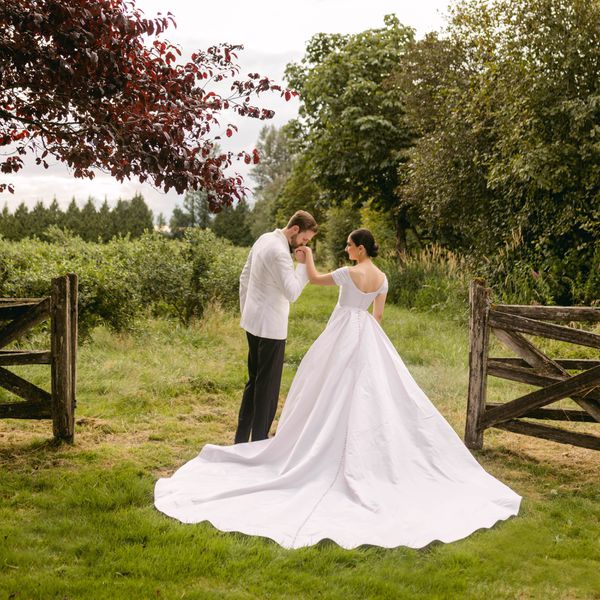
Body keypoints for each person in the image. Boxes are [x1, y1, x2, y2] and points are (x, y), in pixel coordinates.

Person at [154, 229, 521, 550]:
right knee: (371, 394)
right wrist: (365, 333)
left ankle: (318, 447)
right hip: (366, 335)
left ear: (360, 248)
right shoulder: (382, 278)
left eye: (349, 245)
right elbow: (377, 317)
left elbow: (313, 279)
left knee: (323, 385)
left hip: (341, 332)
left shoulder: (347, 273)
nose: (346, 249)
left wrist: (307, 256)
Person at [235, 210, 318, 443]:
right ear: (294, 230)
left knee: (254, 382)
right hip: (271, 328)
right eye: (305, 239)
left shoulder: (264, 239)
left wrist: (247, 312)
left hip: (252, 323)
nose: (304, 244)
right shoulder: (280, 253)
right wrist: (302, 267)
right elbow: (292, 293)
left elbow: (244, 276)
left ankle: (241, 438)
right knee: (268, 388)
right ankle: (260, 440)